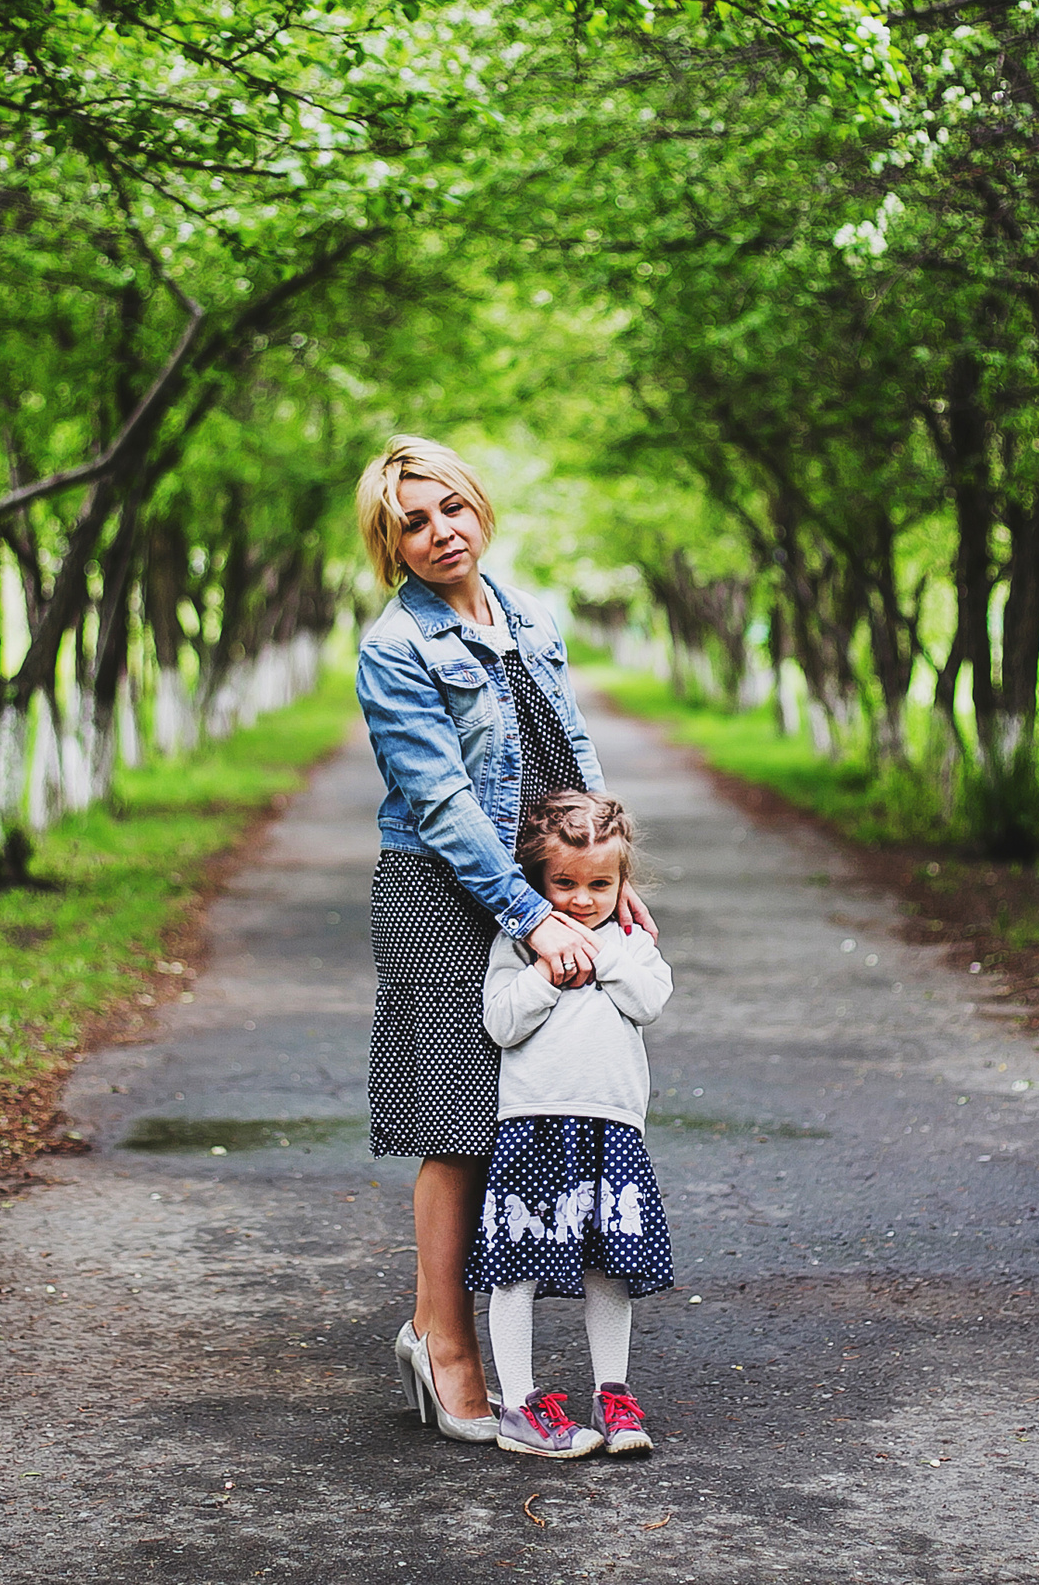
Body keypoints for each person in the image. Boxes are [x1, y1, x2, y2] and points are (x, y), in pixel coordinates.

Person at [354, 435, 653, 1444]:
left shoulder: (528, 614)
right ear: (390, 545)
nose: (441, 533)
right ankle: (445, 1349)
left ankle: (436, 1328)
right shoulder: (395, 647)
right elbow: (440, 804)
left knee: (517, 1109)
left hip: (544, 883)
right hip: (446, 896)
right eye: (414, 523)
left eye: (452, 509)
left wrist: (611, 883)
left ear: (479, 508)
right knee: (459, 1125)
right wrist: (528, 918)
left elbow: (575, 755)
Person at [468, 791, 673, 1458]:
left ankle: (613, 1393)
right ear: (536, 880)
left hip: (611, 1127)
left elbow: (649, 1001)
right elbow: (499, 1022)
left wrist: (604, 953)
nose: (582, 899)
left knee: (610, 1267)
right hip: (533, 1126)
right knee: (515, 1267)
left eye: (600, 884)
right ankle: (522, 1404)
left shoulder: (633, 942)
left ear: (621, 881)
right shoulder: (518, 942)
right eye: (564, 883)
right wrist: (547, 974)